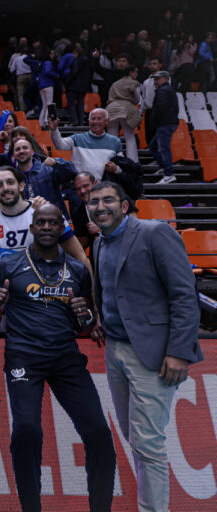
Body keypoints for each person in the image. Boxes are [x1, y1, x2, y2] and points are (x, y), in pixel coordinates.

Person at [0, 203, 116, 512]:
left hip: (65, 357)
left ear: (60, 229)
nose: (45, 227)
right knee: (27, 430)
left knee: (98, 432)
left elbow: (84, 324)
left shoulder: (79, 270)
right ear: (31, 228)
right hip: (24, 358)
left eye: (51, 223)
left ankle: (101, 507)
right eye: (40, 222)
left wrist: (84, 318)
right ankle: (31, 506)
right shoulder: (9, 266)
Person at [87, 181, 202, 512]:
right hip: (115, 350)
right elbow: (110, 291)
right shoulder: (98, 244)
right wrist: (100, 318)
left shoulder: (154, 233)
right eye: (94, 202)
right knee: (135, 438)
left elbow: (184, 295)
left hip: (152, 353)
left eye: (108, 200)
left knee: (148, 443)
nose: (100, 206)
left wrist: (179, 351)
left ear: (125, 206)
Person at [0, 166, 90, 271]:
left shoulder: (47, 212)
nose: (6, 188)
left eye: (10, 182)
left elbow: (80, 256)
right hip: (6, 289)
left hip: (46, 286)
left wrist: (91, 291)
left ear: (21, 186)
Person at [49, 108, 123, 182]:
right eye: (93, 119)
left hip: (105, 187)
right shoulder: (77, 138)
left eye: (99, 119)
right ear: (89, 121)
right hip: (81, 186)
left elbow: (122, 167)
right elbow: (60, 145)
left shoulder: (115, 142)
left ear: (107, 121)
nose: (95, 122)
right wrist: (54, 130)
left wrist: (115, 169)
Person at [11, 138, 76, 217]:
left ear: (32, 152)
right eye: (17, 149)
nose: (21, 151)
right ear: (14, 155)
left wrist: (57, 163)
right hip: (27, 223)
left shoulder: (48, 170)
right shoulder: (12, 179)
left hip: (54, 219)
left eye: (25, 148)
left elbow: (73, 172)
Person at [148, 71, 180, 184]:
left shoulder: (163, 90)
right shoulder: (167, 89)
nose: (155, 81)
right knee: (153, 147)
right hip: (167, 122)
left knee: (163, 149)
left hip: (165, 123)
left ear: (166, 79)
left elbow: (161, 107)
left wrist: (154, 119)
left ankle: (169, 174)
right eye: (155, 79)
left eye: (158, 79)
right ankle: (163, 168)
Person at [106, 66, 141, 162]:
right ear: (131, 72)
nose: (136, 74)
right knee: (129, 136)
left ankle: (112, 159)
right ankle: (132, 160)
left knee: (112, 137)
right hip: (126, 109)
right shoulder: (134, 83)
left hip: (111, 109)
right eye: (135, 72)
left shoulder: (115, 83)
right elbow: (138, 99)